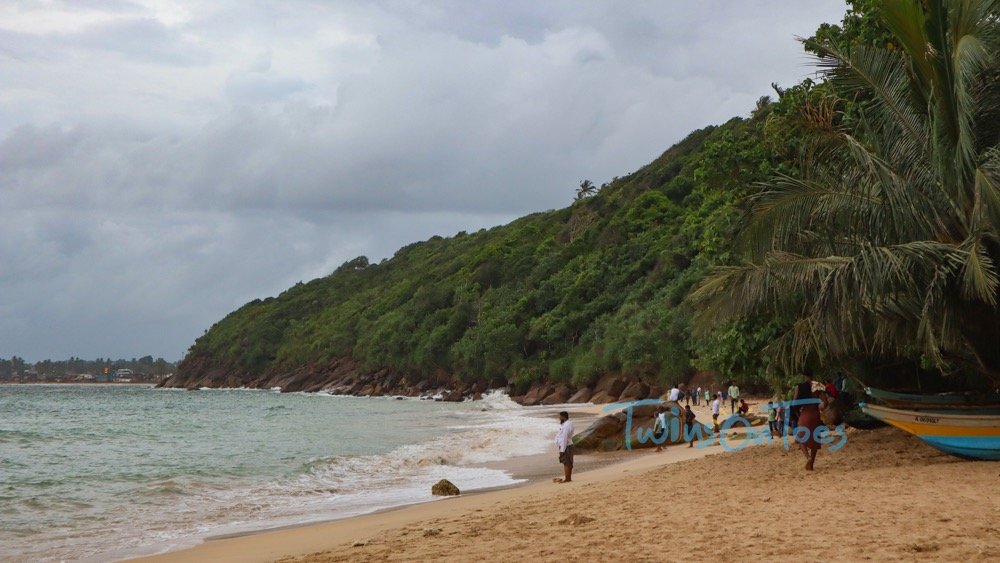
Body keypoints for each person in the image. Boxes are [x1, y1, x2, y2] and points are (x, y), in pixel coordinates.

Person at [792, 369, 822, 471]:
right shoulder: (817, 386)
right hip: (816, 414)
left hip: (805, 414)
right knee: (815, 439)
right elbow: (825, 402)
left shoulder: (799, 387)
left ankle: (808, 457)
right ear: (812, 376)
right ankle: (811, 464)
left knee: (801, 439)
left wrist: (797, 413)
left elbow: (794, 402)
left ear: (804, 376)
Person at [554, 411, 575, 483]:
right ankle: (568, 478)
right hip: (567, 445)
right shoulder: (567, 424)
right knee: (568, 462)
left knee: (566, 463)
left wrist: (562, 449)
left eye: (560, 417)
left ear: (563, 417)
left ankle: (567, 479)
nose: (559, 418)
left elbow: (564, 437)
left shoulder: (567, 425)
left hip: (566, 446)